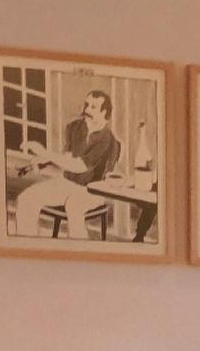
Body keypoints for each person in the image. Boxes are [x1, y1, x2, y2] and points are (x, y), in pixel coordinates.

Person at [12, 88, 120, 240]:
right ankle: (27, 246)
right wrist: (44, 163)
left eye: (93, 107)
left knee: (73, 205)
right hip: (67, 183)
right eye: (86, 105)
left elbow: (80, 166)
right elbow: (67, 159)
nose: (87, 110)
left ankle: (80, 250)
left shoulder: (107, 139)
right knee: (26, 198)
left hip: (93, 190)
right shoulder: (74, 127)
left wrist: (45, 153)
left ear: (105, 113)